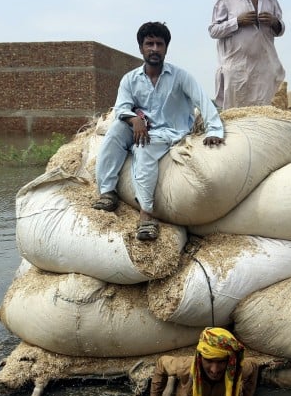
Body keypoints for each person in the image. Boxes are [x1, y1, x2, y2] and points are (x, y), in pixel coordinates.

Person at [93, 21, 224, 241]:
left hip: (169, 133)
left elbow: (203, 101)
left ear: (166, 48)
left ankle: (146, 215)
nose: (154, 49)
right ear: (141, 48)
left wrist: (215, 131)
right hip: (139, 127)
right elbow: (121, 107)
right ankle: (107, 192)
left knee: (143, 149)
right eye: (149, 44)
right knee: (115, 130)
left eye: (159, 44)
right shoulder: (130, 79)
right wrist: (135, 119)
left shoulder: (180, 77)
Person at [208, 0, 286, 109]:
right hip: (236, 72)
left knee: (264, 119)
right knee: (236, 119)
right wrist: (237, 22)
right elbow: (213, 31)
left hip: (265, 70)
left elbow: (281, 29)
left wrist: (274, 22)